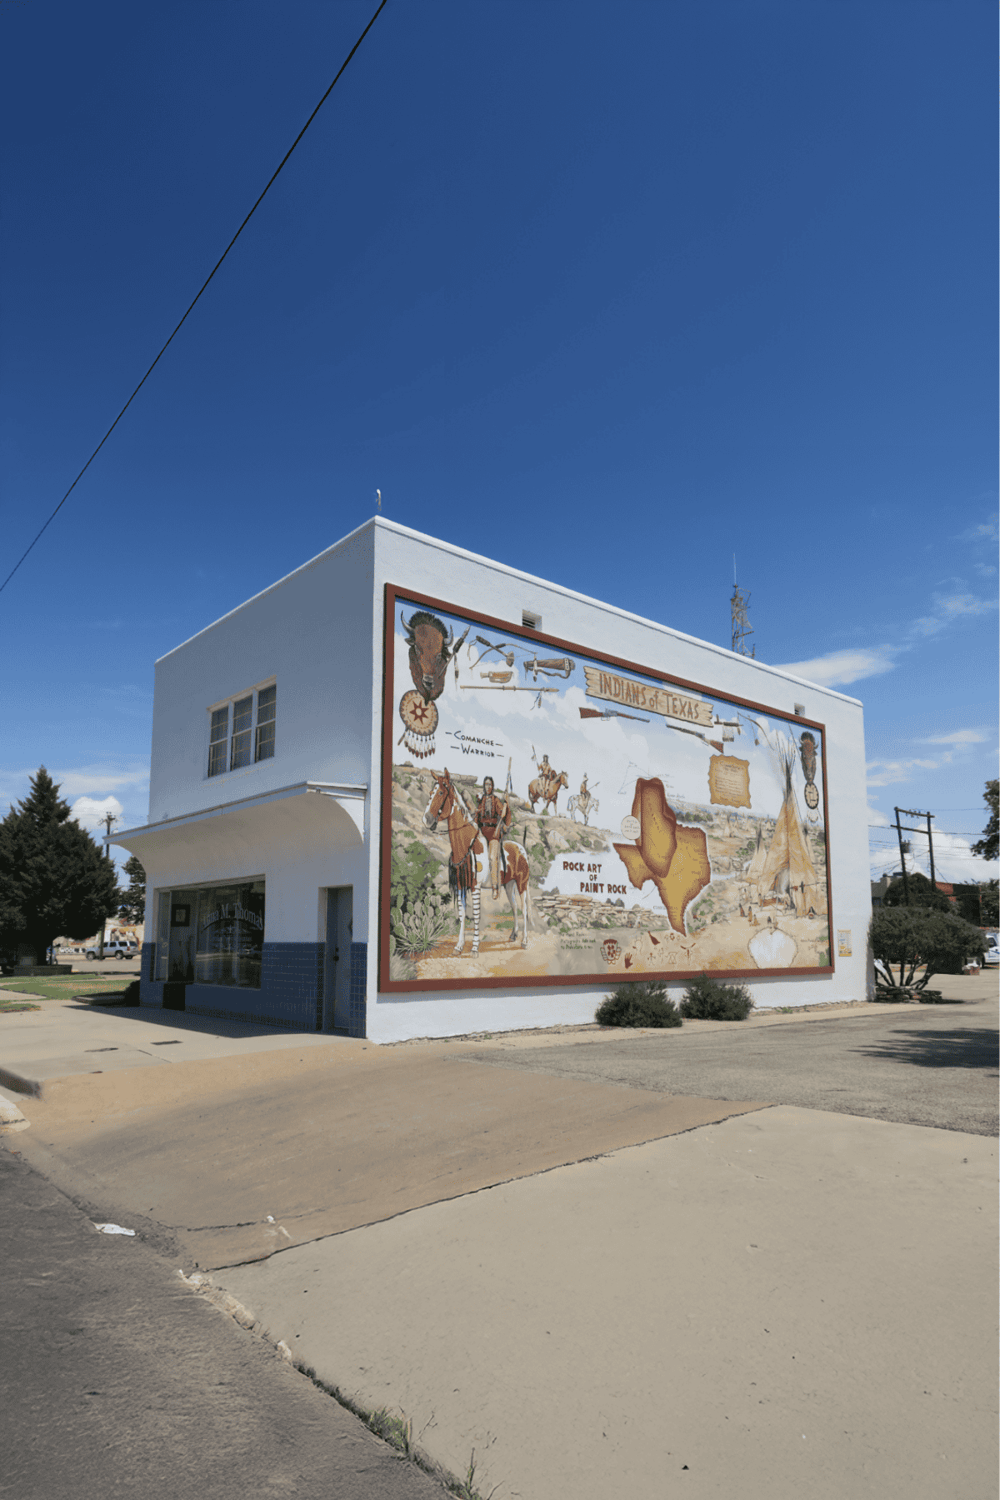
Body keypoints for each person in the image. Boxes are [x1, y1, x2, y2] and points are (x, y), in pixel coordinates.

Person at [476, 775, 511, 898]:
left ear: (493, 786)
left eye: (490, 784)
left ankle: (494, 887)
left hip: (493, 833)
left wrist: (506, 804)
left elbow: (503, 814)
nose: (488, 787)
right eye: (486, 784)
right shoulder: (481, 800)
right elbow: (477, 816)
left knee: (492, 858)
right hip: (482, 831)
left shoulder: (496, 800)